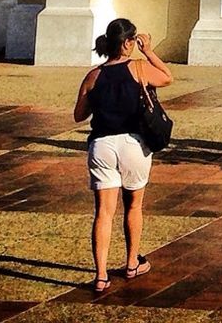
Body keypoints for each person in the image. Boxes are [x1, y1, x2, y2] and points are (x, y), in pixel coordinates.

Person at [73, 17, 173, 294]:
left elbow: (79, 115)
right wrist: (149, 51)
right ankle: (132, 263)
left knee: (103, 212)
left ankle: (101, 275)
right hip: (133, 144)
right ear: (129, 42)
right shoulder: (139, 68)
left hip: (102, 145)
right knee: (133, 206)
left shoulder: (93, 75)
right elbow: (167, 77)